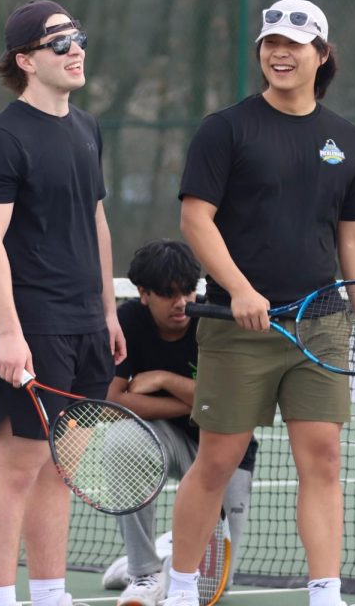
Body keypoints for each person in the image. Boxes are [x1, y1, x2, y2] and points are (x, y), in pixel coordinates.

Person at [161, 0, 355, 606]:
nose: (280, 52)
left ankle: (325, 592)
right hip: (236, 327)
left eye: (295, 44)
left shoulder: (349, 140)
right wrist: (241, 289)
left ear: (322, 55)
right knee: (218, 460)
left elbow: (354, 236)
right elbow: (195, 219)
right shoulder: (224, 129)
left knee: (324, 459)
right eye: (270, 42)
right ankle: (181, 587)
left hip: (322, 327)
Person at [0, 0, 127, 606]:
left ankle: (50, 595)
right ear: (25, 60)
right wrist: (10, 333)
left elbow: (96, 224)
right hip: (33, 326)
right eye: (58, 42)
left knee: (60, 469)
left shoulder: (87, 127)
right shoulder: (3, 137)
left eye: (79, 37)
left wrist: (107, 311)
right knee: (14, 471)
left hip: (85, 326)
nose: (75, 49)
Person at [99, 239, 259, 606]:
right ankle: (143, 571)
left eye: (187, 290)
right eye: (168, 294)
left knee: (214, 589)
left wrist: (163, 380)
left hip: (224, 447)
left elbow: (233, 402)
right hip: (164, 437)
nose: (181, 302)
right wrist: (194, 402)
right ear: (143, 294)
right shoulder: (128, 321)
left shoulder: (215, 318)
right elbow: (111, 402)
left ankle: (168, 548)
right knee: (122, 439)